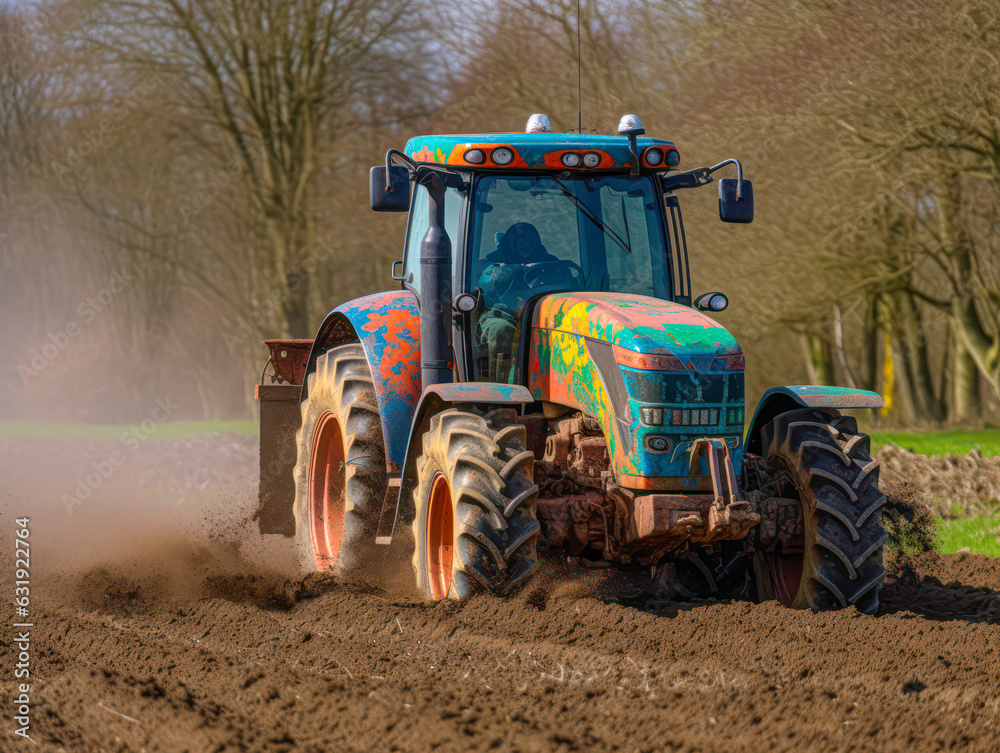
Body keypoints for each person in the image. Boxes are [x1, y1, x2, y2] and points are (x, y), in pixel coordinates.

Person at [477, 222, 558, 381]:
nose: (526, 243)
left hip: (545, 312)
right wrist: (503, 272)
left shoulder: (551, 263)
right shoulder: (490, 264)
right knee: (501, 330)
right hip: (502, 313)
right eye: (520, 239)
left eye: (530, 238)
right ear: (510, 242)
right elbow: (485, 287)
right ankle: (500, 389)